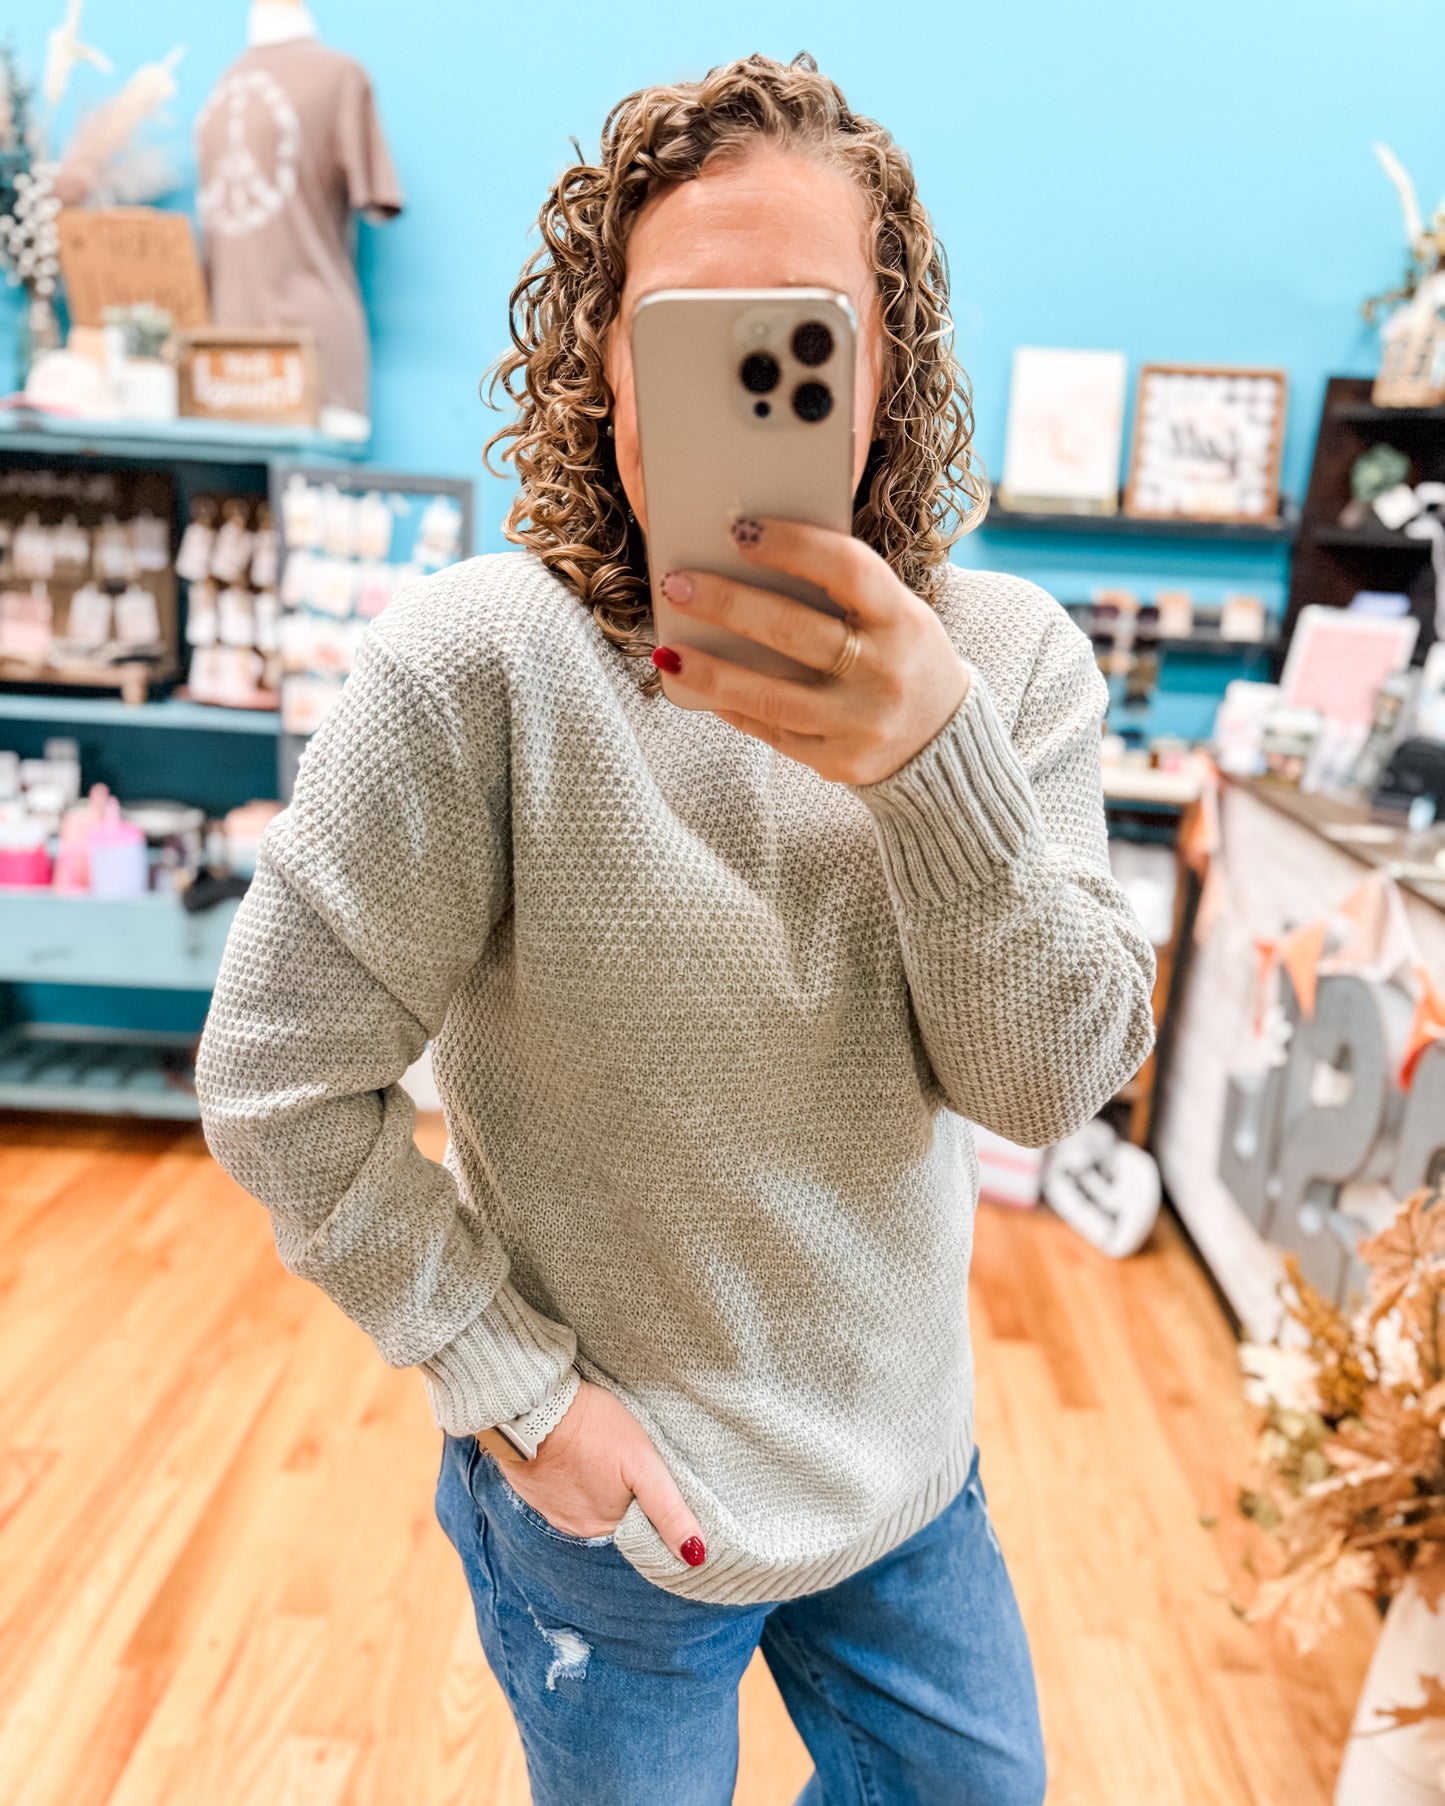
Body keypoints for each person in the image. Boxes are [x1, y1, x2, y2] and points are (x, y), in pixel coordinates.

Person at [196, 50, 1155, 1806]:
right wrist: (520, 1397)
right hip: (606, 1506)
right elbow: (273, 1080)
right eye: (679, 343)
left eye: (795, 340)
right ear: (603, 374)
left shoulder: (1006, 663)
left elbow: (1046, 1083)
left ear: (883, 374)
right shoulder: (477, 666)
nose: (739, 392)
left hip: (899, 1474)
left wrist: (932, 768)